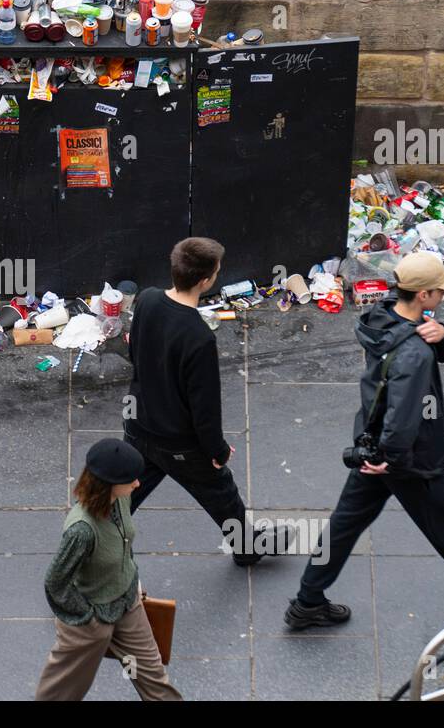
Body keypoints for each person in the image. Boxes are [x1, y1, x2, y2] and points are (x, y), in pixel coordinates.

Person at [286, 251, 444, 629]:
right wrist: (392, 457)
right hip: (406, 458)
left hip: (370, 444)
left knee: (345, 525)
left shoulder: (383, 315)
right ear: (423, 296)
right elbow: (404, 417)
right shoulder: (414, 352)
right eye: (439, 292)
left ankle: (308, 600)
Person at [124, 236, 288, 564]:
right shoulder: (199, 337)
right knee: (220, 492)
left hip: (139, 425)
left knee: (124, 493)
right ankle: (246, 547)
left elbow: (134, 355)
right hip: (180, 444)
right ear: (206, 280)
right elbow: (205, 409)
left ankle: (92, 545)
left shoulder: (148, 300)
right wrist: (217, 451)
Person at [35, 439, 182, 701]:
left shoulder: (121, 499)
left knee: (156, 682)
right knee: (61, 692)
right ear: (108, 484)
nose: (138, 484)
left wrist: (130, 576)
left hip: (128, 606)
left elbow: (124, 539)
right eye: (131, 479)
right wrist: (87, 618)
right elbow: (55, 583)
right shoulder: (81, 530)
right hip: (90, 623)